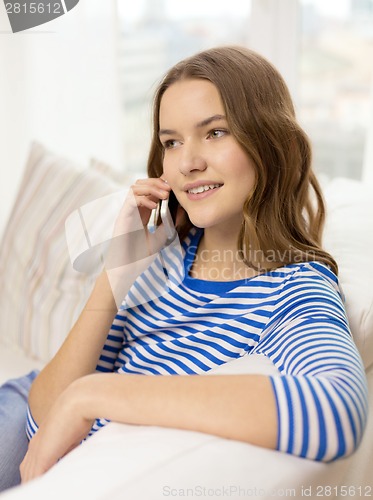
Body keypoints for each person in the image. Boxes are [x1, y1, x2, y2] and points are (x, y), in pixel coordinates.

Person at [1, 46, 368, 487]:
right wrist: (115, 274)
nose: (188, 162)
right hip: (19, 405)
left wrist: (96, 395)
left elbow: (336, 410)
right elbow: (41, 411)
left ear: (274, 144)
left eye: (215, 133)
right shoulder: (162, 256)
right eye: (171, 142)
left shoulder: (295, 288)